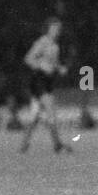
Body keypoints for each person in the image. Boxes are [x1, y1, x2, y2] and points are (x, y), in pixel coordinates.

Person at [20, 17, 70, 154]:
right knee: (50, 108)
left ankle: (24, 146)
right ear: (48, 29)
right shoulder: (42, 42)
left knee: (35, 115)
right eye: (54, 28)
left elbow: (53, 63)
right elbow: (28, 58)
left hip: (47, 82)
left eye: (58, 29)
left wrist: (60, 68)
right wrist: (41, 66)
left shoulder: (55, 45)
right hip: (39, 81)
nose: (57, 31)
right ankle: (57, 145)